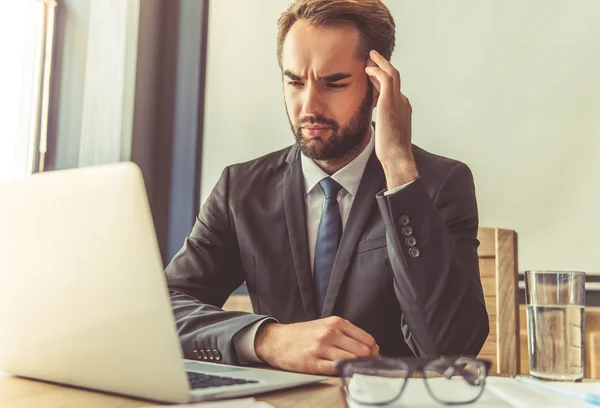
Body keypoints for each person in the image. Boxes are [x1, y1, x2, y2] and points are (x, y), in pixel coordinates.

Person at [165, 0, 489, 376]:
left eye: (334, 83)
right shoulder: (241, 189)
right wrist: (266, 339)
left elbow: (450, 347)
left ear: (377, 86)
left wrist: (399, 168)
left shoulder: (437, 186)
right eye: (295, 82)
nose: (309, 105)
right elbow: (165, 309)